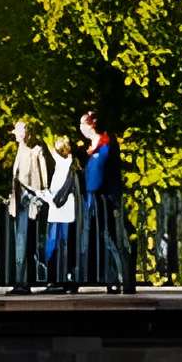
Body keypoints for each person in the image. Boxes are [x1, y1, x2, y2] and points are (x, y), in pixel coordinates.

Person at [79, 108, 132, 291]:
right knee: (102, 237)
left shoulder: (106, 143)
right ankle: (111, 279)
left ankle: (121, 277)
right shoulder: (94, 147)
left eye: (83, 123)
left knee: (110, 237)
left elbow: (106, 171)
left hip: (104, 197)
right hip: (93, 197)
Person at [7, 118, 49, 293]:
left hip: (29, 201)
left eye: (18, 130)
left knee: (25, 243)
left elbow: (43, 179)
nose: (15, 134)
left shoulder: (36, 151)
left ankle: (23, 282)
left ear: (26, 132)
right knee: (21, 242)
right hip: (20, 202)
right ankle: (22, 281)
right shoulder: (19, 150)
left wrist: (38, 200)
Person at [39, 132, 79, 289]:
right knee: (55, 245)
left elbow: (65, 189)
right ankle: (58, 277)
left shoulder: (67, 164)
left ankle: (63, 278)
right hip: (58, 212)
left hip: (63, 210)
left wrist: (51, 199)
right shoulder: (62, 163)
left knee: (60, 245)